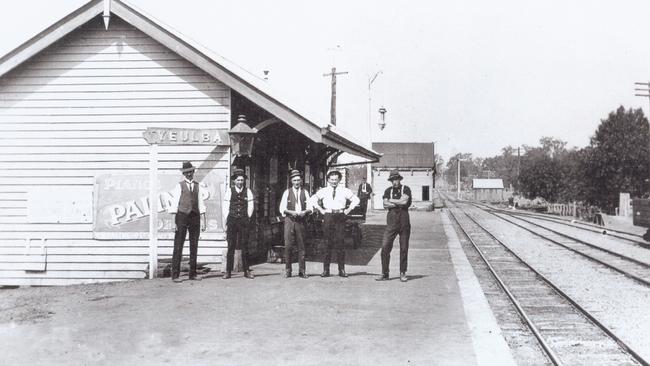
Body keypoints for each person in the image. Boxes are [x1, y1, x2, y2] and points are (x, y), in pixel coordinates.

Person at [310, 170, 360, 277]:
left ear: (339, 180)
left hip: (340, 216)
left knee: (340, 243)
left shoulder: (344, 190)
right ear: (328, 180)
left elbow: (356, 200)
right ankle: (326, 270)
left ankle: (341, 270)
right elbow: (312, 199)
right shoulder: (323, 191)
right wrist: (320, 209)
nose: (334, 182)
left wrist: (348, 210)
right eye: (331, 179)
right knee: (327, 243)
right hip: (328, 215)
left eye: (336, 179)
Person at [168, 161, 207, 283]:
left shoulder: (198, 186)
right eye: (187, 172)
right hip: (182, 217)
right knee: (178, 246)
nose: (189, 174)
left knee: (194, 246)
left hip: (194, 217)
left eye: (191, 171)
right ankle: (175, 275)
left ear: (193, 172)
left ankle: (193, 274)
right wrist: (173, 221)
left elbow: (201, 203)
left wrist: (203, 220)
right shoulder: (179, 186)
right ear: (184, 174)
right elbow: (174, 204)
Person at [376, 169, 412, 282]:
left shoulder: (406, 188)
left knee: (404, 248)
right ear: (391, 181)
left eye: (396, 179)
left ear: (399, 179)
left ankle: (402, 272)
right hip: (391, 221)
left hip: (404, 221)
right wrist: (398, 201)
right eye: (393, 180)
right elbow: (384, 204)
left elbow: (404, 202)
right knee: (385, 247)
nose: (395, 181)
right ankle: (385, 273)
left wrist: (391, 201)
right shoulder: (388, 190)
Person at [222, 168, 255, 279]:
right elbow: (225, 207)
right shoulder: (229, 191)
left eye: (242, 180)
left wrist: (246, 217)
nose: (240, 182)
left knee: (245, 245)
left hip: (244, 221)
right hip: (232, 221)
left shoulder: (248, 191)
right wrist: (227, 219)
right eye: (238, 180)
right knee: (231, 245)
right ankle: (228, 271)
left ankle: (246, 271)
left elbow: (251, 207)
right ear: (234, 181)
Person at [278, 170, 312, 278]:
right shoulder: (287, 192)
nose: (296, 182)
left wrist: (304, 212)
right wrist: (291, 212)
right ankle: (288, 270)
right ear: (291, 181)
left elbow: (311, 208)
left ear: (301, 181)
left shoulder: (305, 192)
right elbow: (282, 208)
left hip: (301, 221)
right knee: (288, 246)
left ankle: (302, 270)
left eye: (298, 180)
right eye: (294, 180)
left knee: (301, 246)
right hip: (289, 220)